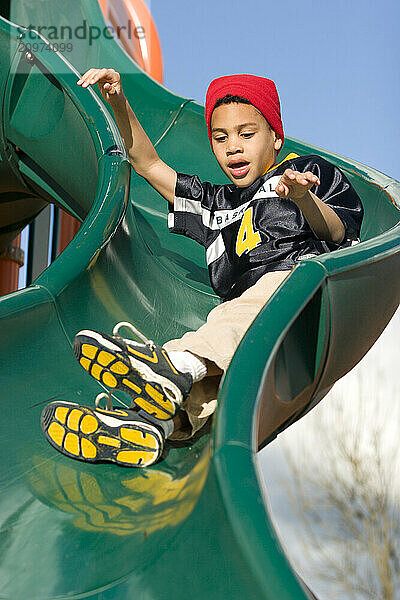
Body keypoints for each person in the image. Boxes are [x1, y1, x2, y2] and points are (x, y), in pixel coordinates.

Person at [41, 70, 363, 468]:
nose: (233, 148)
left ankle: (176, 366)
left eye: (247, 134)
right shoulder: (217, 205)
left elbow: (338, 230)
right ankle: (152, 427)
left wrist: (303, 198)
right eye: (221, 137)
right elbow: (148, 163)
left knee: (247, 309)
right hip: (249, 335)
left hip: (304, 301)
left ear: (275, 137)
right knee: (212, 381)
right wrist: (118, 101)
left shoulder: (302, 174)